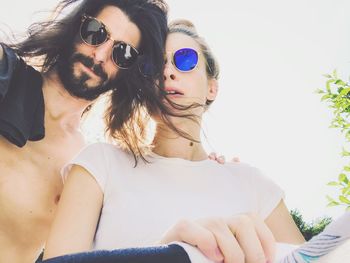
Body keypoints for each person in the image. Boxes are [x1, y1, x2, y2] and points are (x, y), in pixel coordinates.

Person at [41, 19, 306, 263]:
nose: (167, 72)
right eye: (152, 66)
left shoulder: (254, 184)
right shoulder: (100, 164)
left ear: (212, 87)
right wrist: (166, 256)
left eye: (186, 59)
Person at [0, 0, 174, 262]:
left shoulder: (86, 165)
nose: (100, 55)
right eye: (96, 32)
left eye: (122, 53)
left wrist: (210, 166)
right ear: (76, 27)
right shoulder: (6, 74)